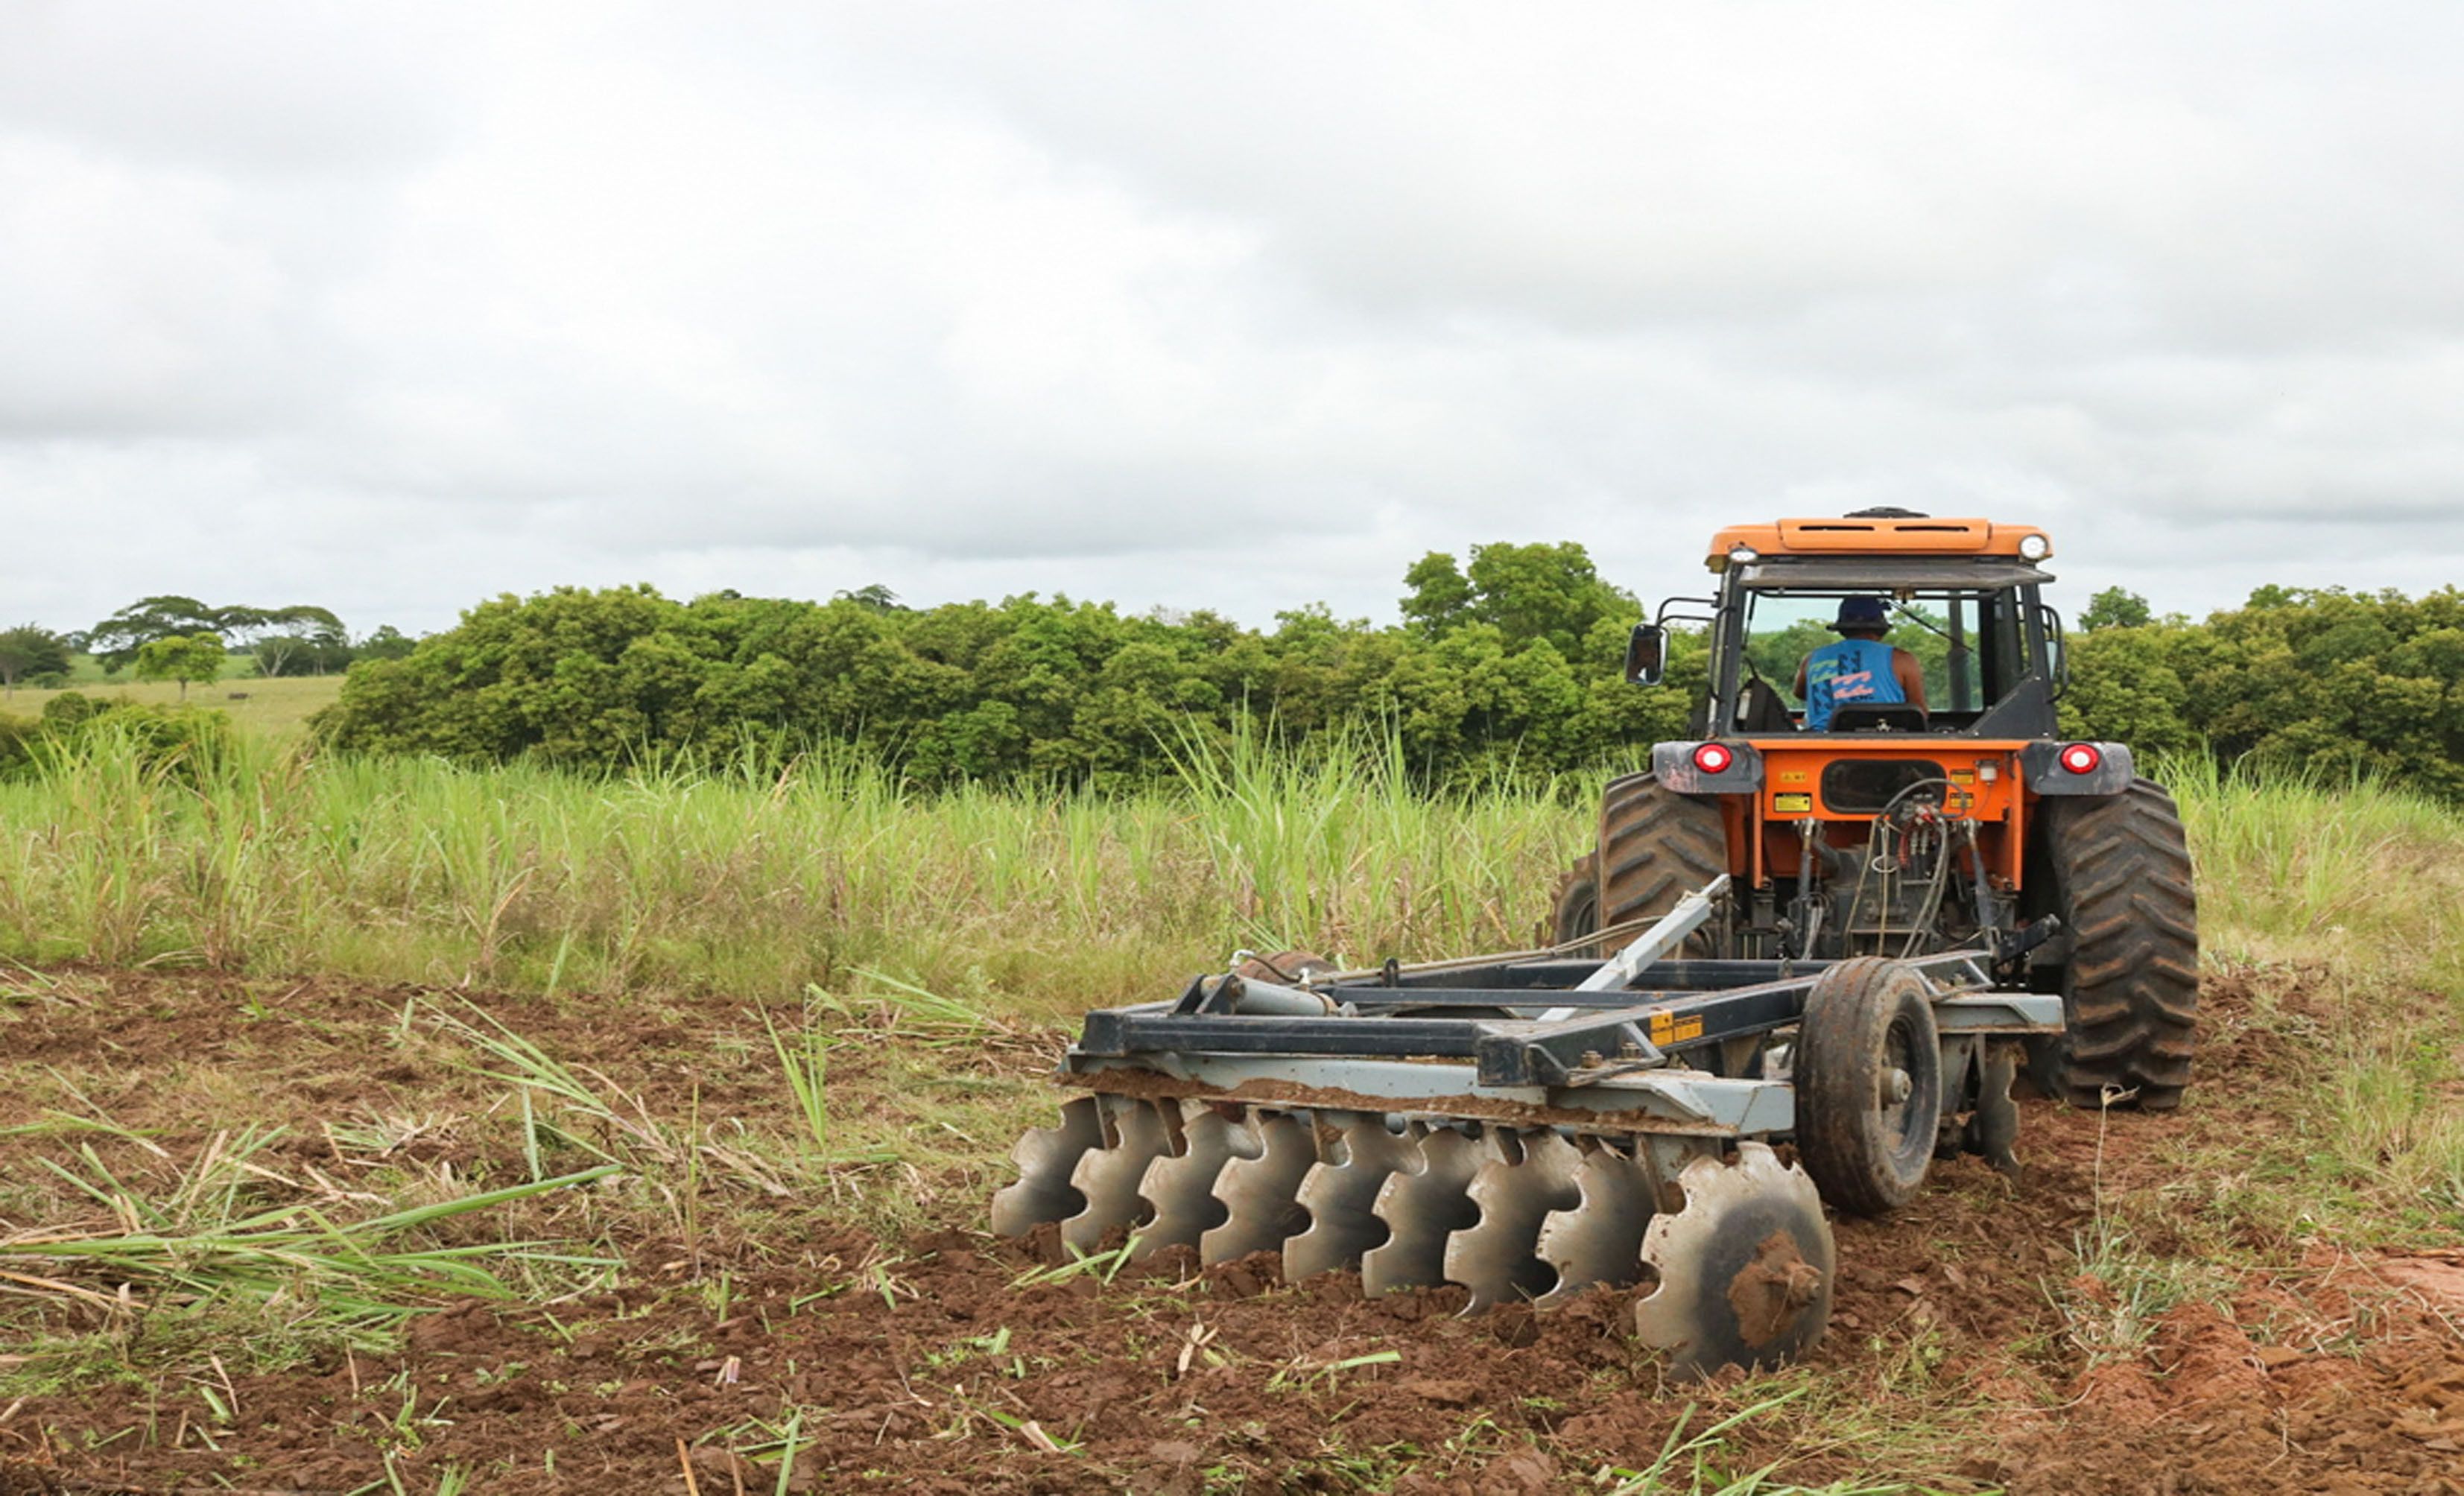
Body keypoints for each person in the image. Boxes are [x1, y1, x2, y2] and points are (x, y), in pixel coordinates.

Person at [1793, 596, 1927, 730]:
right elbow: (1919, 712)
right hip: (1885, 744)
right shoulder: (1903, 660)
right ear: (1881, 625)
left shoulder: (1812, 659)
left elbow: (1801, 693)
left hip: (1821, 746)